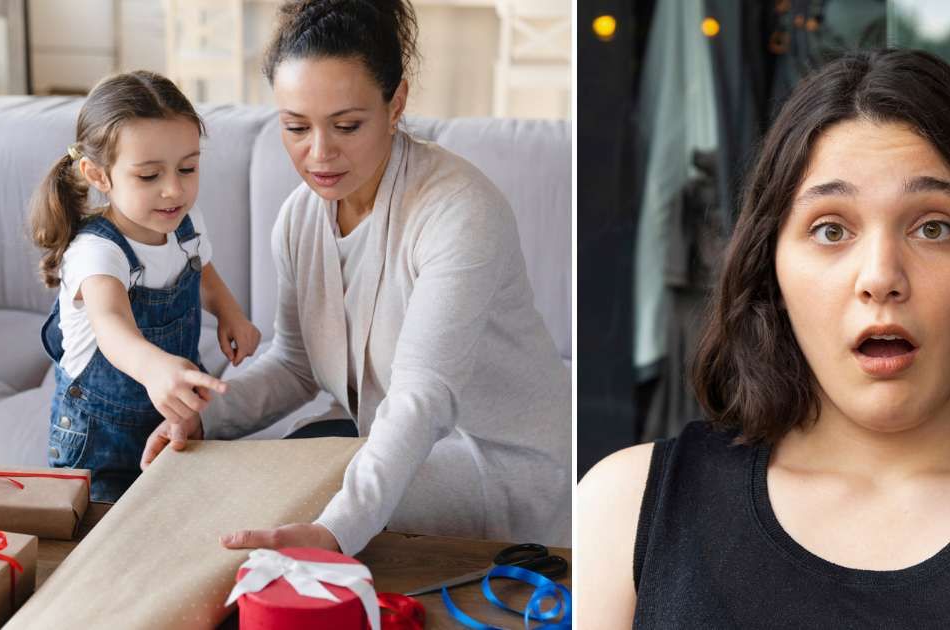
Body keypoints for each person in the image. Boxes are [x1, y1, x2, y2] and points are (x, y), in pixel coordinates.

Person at [577, 48, 950, 628]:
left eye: (933, 227)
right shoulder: (626, 505)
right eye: (831, 229)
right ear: (771, 272)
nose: (881, 278)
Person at [140, 0, 571, 555]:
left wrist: (336, 530)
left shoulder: (458, 210)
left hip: (497, 461)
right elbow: (296, 365)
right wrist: (205, 419)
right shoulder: (300, 217)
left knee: (287, 503)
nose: (319, 153)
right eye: (295, 127)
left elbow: (422, 394)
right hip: (393, 439)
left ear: (396, 104)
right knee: (247, 479)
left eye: (347, 125)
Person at [30, 70, 261, 502]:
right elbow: (112, 325)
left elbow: (201, 270)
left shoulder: (184, 225)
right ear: (99, 176)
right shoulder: (98, 252)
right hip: (99, 445)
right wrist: (154, 367)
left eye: (187, 168)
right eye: (149, 175)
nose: (174, 189)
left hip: (174, 416)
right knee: (107, 544)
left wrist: (230, 312)